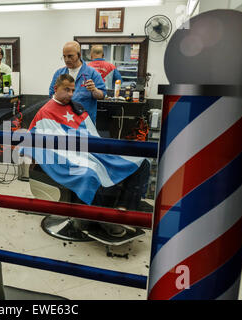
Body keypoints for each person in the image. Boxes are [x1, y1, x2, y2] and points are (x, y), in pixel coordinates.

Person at [27, 74, 150, 238]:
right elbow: (32, 139)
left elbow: (91, 135)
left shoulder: (76, 107)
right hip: (64, 156)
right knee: (90, 173)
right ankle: (101, 218)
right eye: (66, 90)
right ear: (56, 89)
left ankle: (124, 209)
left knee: (142, 161)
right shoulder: (45, 112)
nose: (71, 94)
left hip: (89, 149)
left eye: (72, 90)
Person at [49, 41, 106, 125]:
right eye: (64, 57)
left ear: (79, 55)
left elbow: (102, 95)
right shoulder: (59, 74)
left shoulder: (92, 73)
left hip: (85, 123)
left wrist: (94, 90)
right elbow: (51, 94)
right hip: (63, 120)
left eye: (70, 56)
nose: (66, 60)